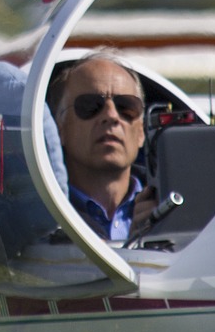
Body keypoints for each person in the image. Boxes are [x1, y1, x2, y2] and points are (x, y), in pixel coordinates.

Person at [47, 52, 153, 243]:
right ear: (59, 128)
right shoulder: (41, 217)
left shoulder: (173, 210)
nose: (112, 116)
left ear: (141, 132)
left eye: (126, 107)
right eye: (91, 105)